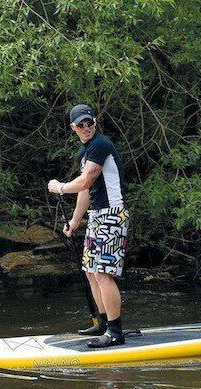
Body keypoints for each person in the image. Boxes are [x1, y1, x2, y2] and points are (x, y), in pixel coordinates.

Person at [48, 104, 130, 348]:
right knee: (91, 272)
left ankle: (115, 331)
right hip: (97, 215)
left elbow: (87, 178)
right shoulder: (84, 153)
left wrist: (61, 187)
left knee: (103, 273)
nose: (86, 128)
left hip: (112, 215)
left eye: (89, 123)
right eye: (81, 125)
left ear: (95, 122)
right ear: (73, 128)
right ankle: (103, 323)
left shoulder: (101, 144)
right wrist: (74, 222)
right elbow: (86, 189)